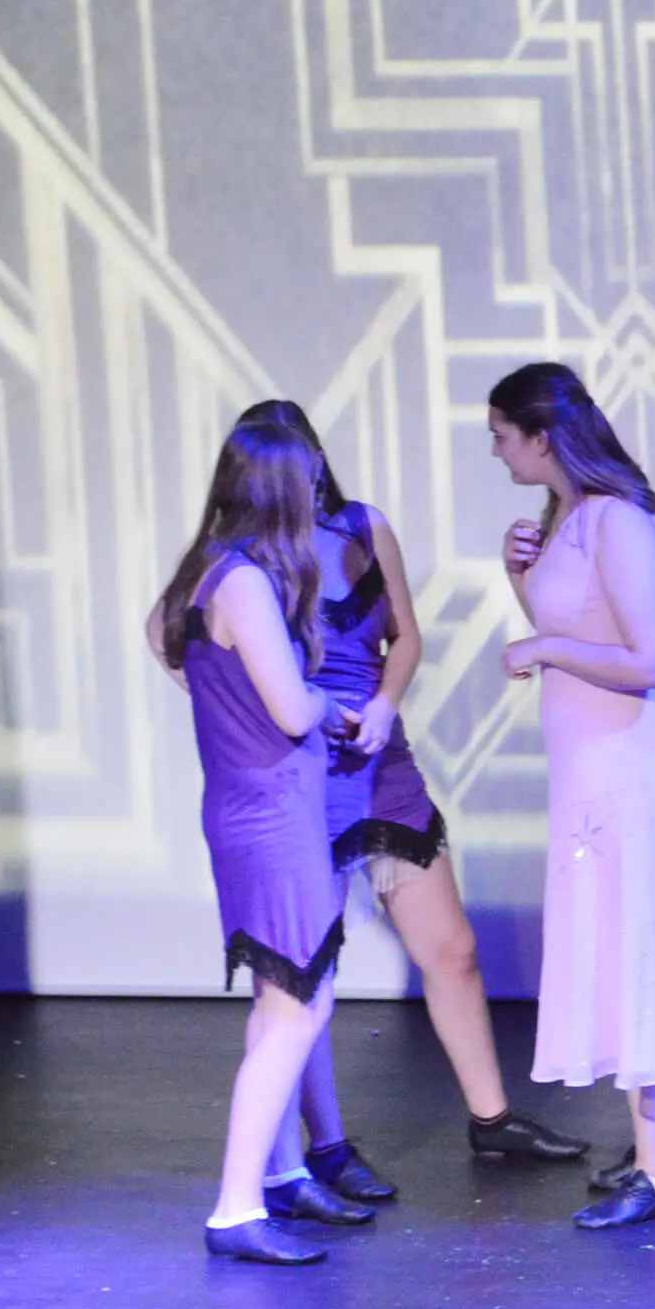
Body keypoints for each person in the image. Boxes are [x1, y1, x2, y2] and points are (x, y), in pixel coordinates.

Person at [231, 402, 587, 1202]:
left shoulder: (363, 527)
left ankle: (492, 1119)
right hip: (298, 773)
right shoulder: (242, 561)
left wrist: (387, 703)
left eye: (309, 459)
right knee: (302, 977)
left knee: (451, 947)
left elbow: (406, 636)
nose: (303, 477)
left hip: (378, 760)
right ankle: (322, 1149)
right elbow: (173, 636)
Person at [490, 363, 655, 1225]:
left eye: (502, 436)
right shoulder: (568, 518)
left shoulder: (618, 519)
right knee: (626, 957)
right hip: (599, 772)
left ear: (542, 436)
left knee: (644, 960)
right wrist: (521, 580)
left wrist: (540, 648)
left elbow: (648, 660)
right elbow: (580, 627)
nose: (497, 452)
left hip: (637, 771)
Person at [150, 418, 357, 1264]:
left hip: (251, 808)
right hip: (271, 816)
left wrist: (229, 701)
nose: (318, 497)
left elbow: (163, 640)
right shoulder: (241, 582)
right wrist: (326, 704)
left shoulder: (206, 572)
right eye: (309, 484)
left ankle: (276, 1173)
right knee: (300, 1006)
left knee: (281, 1001)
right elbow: (293, 707)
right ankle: (237, 1207)